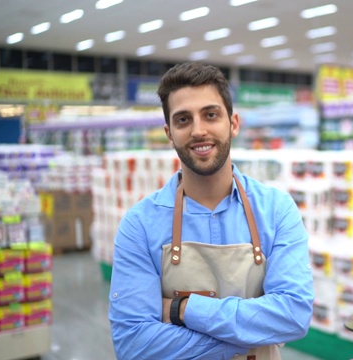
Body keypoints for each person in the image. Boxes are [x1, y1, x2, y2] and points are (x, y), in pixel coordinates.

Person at [108, 62, 314, 359]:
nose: (198, 130)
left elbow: (293, 315)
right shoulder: (140, 224)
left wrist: (182, 308)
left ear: (233, 123)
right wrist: (251, 334)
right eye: (183, 120)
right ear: (169, 133)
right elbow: (133, 344)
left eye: (211, 115)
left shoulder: (276, 210)